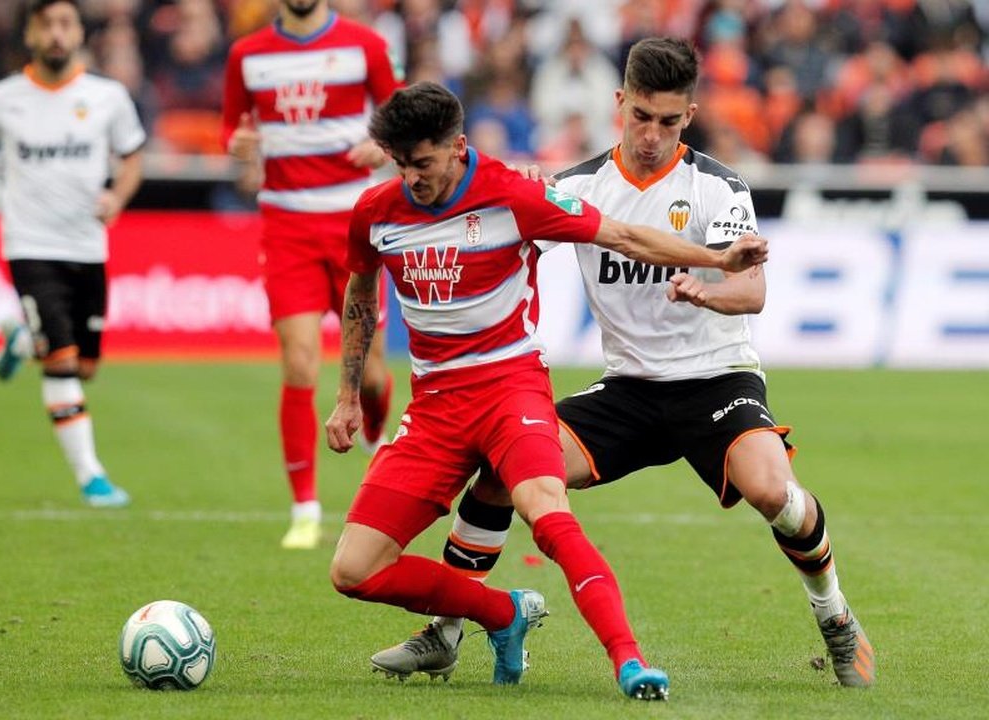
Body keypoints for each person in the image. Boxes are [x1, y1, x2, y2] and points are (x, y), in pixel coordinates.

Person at [372, 38, 876, 690]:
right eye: (641, 116)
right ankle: (444, 630)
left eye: (668, 121)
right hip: (630, 390)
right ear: (620, 103)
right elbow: (499, 211)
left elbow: (751, 292)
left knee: (775, 493)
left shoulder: (717, 188)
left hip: (715, 378)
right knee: (500, 469)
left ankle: (833, 613)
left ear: (689, 115)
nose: (651, 134)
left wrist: (709, 291)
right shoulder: (581, 185)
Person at [324, 81, 767, 701]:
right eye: (400, 164)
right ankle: (503, 614)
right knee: (352, 570)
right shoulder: (377, 211)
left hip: (511, 393)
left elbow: (625, 236)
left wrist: (717, 261)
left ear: (457, 148)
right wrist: (348, 396)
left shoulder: (513, 195)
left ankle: (630, 663)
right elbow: (360, 297)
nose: (411, 178)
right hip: (434, 408)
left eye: (422, 164)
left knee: (547, 515)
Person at [222, 0, 401, 549]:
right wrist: (238, 147)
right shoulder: (247, 56)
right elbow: (232, 130)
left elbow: (399, 121)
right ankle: (305, 508)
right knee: (298, 361)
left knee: (370, 375)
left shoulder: (363, 45)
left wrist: (381, 146)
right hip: (286, 226)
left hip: (355, 223)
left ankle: (374, 434)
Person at [0, 0, 144, 507]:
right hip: (30, 245)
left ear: (79, 32)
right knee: (60, 361)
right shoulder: (2, 100)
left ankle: (19, 340)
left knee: (84, 368)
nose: (56, 34)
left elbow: (132, 157)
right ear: (30, 34)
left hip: (87, 246)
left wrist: (117, 198)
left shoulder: (107, 97)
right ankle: (91, 476)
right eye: (46, 24)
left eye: (65, 23)